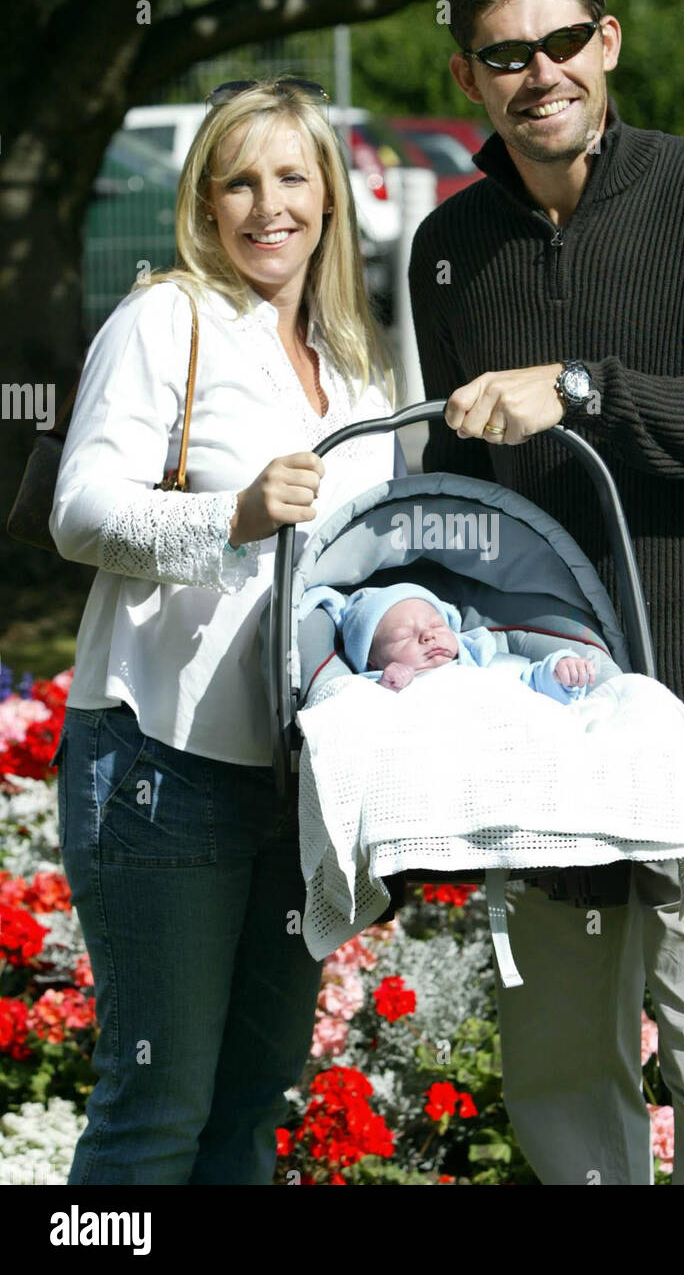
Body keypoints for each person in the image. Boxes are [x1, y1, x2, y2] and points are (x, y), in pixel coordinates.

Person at [408, 0, 684, 1185]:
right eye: (503, 54)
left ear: (608, 43)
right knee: (553, 1058)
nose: (538, 73)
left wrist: (583, 390)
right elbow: (460, 488)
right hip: (536, 721)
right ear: (466, 80)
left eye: (560, 41)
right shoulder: (445, 247)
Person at [47, 75, 406, 1184]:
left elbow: (370, 564)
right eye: (237, 182)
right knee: (153, 1112)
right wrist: (234, 516)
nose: (267, 206)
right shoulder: (167, 320)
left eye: (291, 177)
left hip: (300, 778)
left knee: (251, 1110)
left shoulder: (354, 370)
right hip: (162, 765)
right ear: (204, 207)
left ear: (330, 201)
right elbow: (79, 511)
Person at [296, 580, 613, 699]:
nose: (428, 634)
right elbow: (354, 724)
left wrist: (559, 671)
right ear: (371, 659)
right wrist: (385, 691)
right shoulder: (375, 687)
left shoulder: (485, 663)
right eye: (405, 634)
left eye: (435, 623)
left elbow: (529, 682)